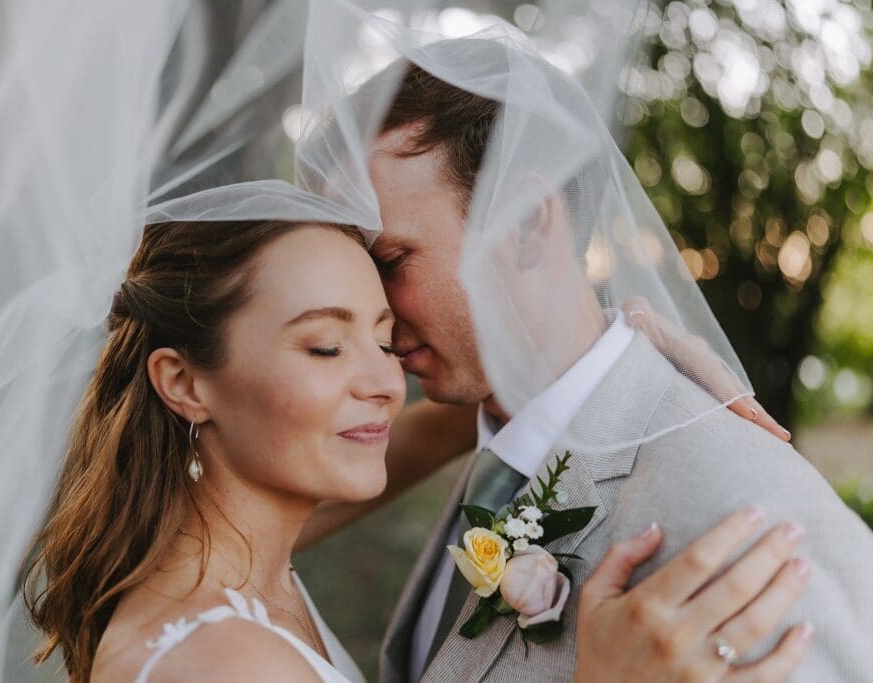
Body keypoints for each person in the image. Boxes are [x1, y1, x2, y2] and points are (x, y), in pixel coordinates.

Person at [24, 211, 812, 683]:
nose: (383, 383)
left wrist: (619, 344)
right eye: (325, 348)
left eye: (382, 338)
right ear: (184, 382)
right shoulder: (230, 662)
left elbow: (458, 407)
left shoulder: (220, 548)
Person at [365, 44, 873, 682]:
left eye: (389, 262)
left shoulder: (744, 521)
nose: (370, 311)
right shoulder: (499, 451)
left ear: (524, 224)